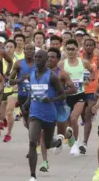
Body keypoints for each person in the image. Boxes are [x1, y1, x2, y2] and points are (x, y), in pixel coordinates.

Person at [24, 50, 66, 181]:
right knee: (32, 142)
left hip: (49, 114)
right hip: (35, 113)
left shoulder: (52, 76)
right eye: (35, 57)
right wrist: (27, 102)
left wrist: (51, 100)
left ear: (46, 59)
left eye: (39, 57)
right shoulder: (32, 74)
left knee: (47, 144)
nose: (36, 59)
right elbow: (32, 90)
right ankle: (32, 175)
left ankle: (58, 141)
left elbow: (63, 94)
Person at [39, 48, 77, 173]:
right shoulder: (40, 72)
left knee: (61, 134)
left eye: (53, 57)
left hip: (59, 107)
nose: (49, 59)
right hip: (45, 107)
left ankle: (69, 134)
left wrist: (59, 93)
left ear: (58, 59)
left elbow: (74, 89)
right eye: (48, 56)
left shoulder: (62, 74)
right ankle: (45, 162)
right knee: (44, 134)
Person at [58, 39, 96, 156]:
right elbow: (57, 77)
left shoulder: (83, 62)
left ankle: (75, 145)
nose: (70, 52)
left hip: (80, 95)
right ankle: (73, 139)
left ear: (77, 49)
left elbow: (92, 71)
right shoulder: (62, 64)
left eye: (73, 49)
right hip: (67, 95)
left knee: (74, 118)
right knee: (68, 123)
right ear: (65, 50)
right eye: (68, 49)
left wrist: (89, 80)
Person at [8, 44, 36, 129]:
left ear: (34, 51)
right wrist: (20, 80)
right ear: (24, 51)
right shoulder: (18, 64)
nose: (29, 51)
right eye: (27, 49)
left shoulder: (38, 64)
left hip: (36, 95)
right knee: (26, 118)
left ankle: (35, 137)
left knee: (34, 117)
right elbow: (10, 81)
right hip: (23, 95)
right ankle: (32, 134)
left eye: (31, 49)